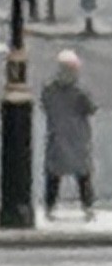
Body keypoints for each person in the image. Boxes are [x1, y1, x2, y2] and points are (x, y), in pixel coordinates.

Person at [41, 48, 97, 217]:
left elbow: (45, 105)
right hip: (77, 137)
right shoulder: (79, 92)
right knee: (83, 174)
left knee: (53, 174)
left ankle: (50, 206)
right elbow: (91, 108)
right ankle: (87, 206)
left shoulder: (49, 89)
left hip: (57, 135)